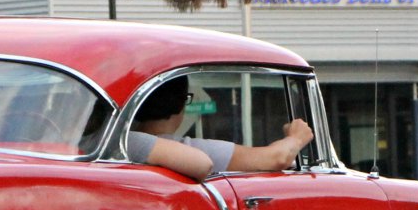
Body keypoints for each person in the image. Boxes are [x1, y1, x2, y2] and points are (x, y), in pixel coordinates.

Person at [125, 76, 315, 181]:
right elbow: (276, 158)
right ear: (180, 104)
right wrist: (296, 138)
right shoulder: (195, 151)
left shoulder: (118, 144)